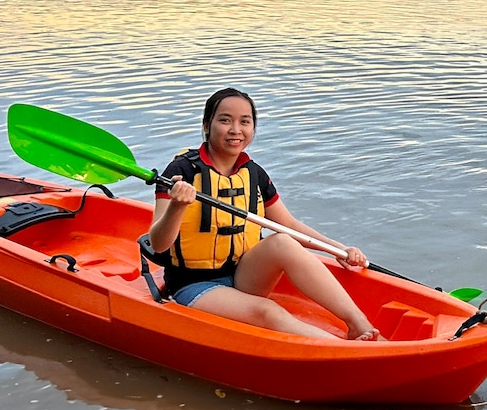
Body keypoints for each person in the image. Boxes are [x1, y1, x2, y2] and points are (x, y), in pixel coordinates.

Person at [148, 87, 379, 340]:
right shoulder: (181, 171)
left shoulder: (253, 173)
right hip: (192, 284)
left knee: (282, 241)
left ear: (253, 129)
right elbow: (159, 244)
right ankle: (346, 351)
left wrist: (339, 249)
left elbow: (288, 224)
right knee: (268, 310)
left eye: (244, 122)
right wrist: (177, 206)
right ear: (207, 125)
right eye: (225, 120)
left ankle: (358, 323)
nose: (236, 130)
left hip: (243, 275)